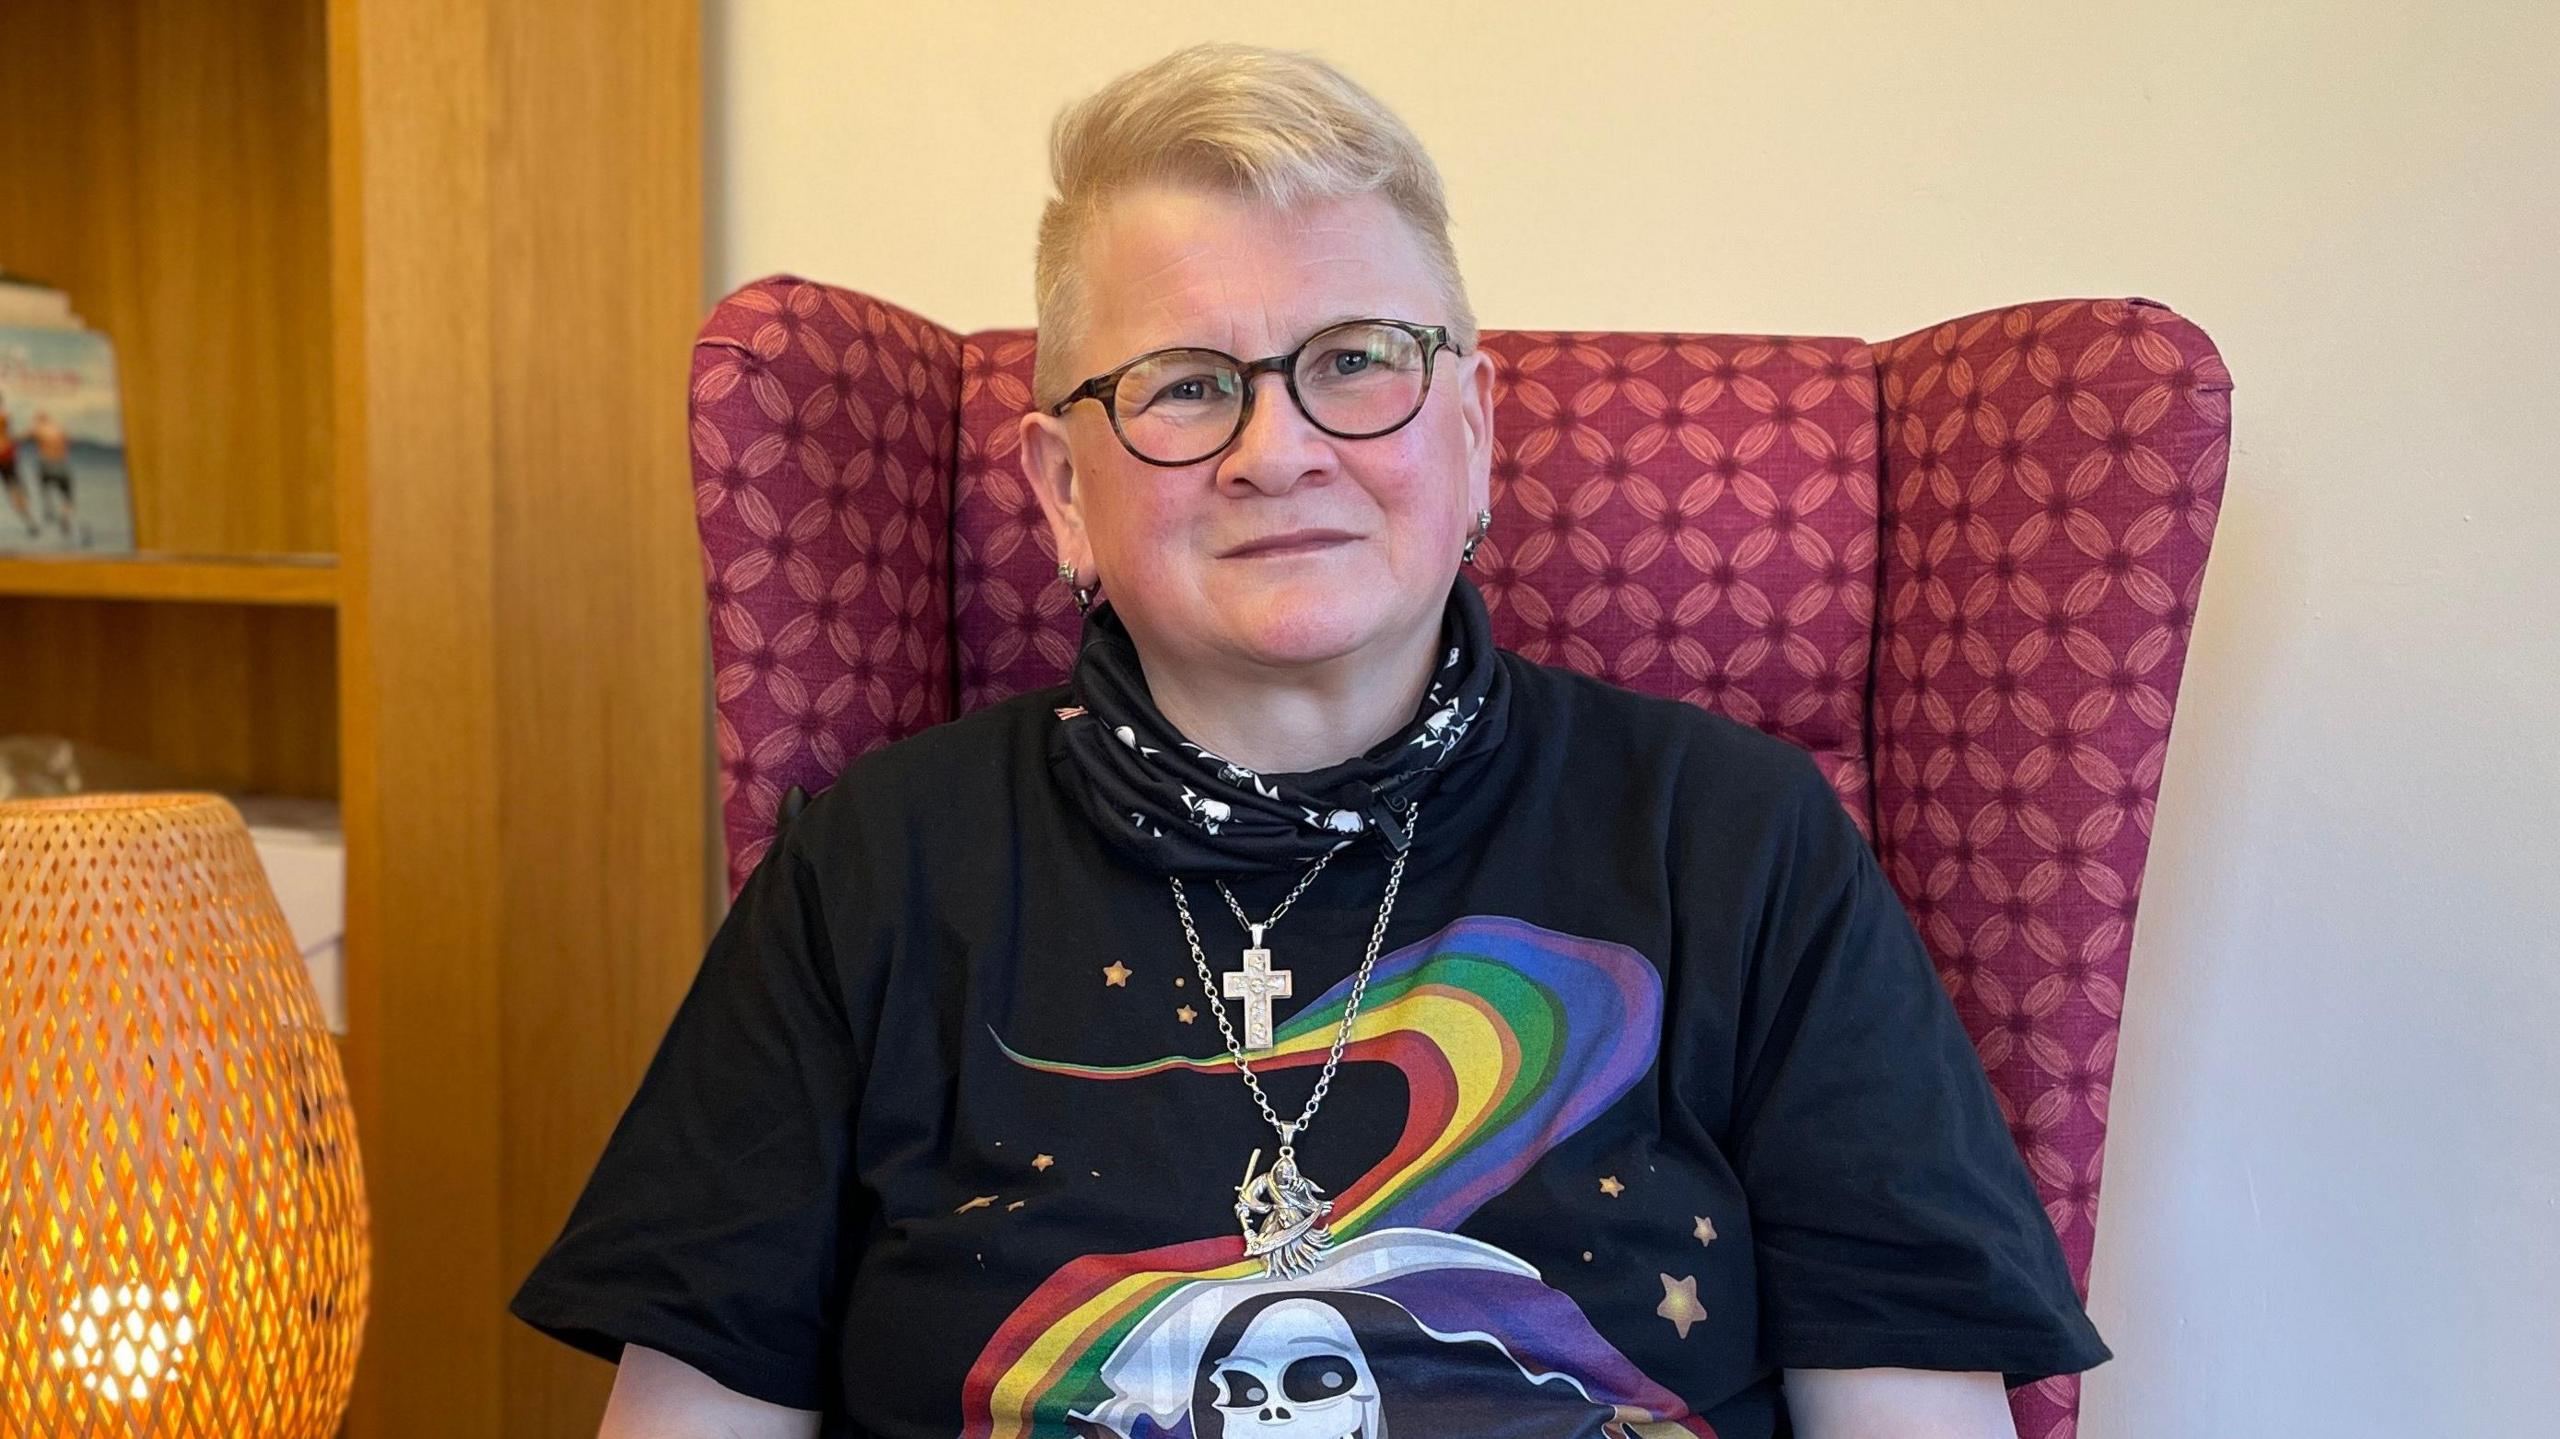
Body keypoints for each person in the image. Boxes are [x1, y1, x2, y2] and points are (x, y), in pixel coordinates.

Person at [509, 42, 2107, 1439]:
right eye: (1186, 386)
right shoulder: (878, 860)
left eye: (1354, 363)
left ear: (1472, 430)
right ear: (1063, 489)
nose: (1279, 452)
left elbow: (1914, 1407)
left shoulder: (1739, 837)